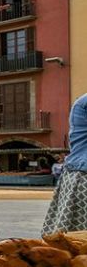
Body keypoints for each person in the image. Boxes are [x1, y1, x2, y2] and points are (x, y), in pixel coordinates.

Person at [44, 95, 87, 234]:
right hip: (82, 176)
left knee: (69, 244)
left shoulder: (81, 102)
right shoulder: (83, 103)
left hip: (78, 175)